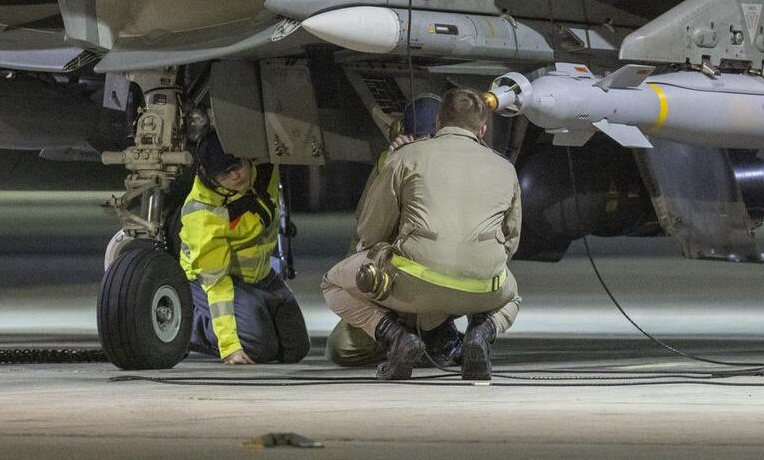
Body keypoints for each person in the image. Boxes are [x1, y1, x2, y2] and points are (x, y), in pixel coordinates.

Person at [321, 87, 522, 381]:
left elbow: (369, 232)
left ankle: (397, 338)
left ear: (439, 123)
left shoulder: (405, 158)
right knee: (512, 298)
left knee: (331, 285)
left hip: (411, 283)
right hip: (480, 290)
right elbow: (511, 240)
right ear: (482, 129)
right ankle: (480, 333)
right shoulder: (505, 169)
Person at [323, 97, 468, 370]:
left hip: (442, 283)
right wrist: (392, 168)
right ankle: (411, 339)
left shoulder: (466, 167)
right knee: (341, 347)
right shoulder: (391, 165)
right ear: (407, 136)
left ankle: (438, 334)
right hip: (398, 284)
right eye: (419, 138)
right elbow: (365, 235)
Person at [179, 131, 308, 364]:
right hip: (212, 281)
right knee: (258, 349)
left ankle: (253, 313)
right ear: (211, 177)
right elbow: (216, 283)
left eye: (237, 165)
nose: (236, 175)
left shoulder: (264, 172)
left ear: (248, 158)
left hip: (260, 277)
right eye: (225, 173)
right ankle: (188, 327)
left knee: (295, 349)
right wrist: (229, 346)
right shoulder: (204, 212)